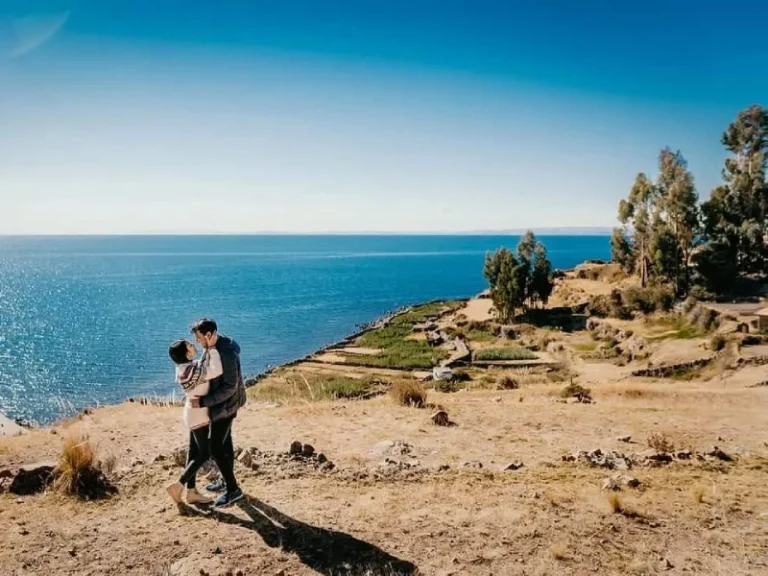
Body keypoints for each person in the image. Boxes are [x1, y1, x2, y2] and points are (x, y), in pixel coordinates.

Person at [189, 318, 247, 508]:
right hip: (221, 405)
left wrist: (203, 401)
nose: (197, 341)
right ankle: (226, 481)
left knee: (215, 448)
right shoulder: (213, 346)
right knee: (225, 442)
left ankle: (233, 490)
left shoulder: (225, 351)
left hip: (226, 406)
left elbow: (230, 387)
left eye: (199, 337)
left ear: (209, 334)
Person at [165, 339, 222, 505]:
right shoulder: (191, 371)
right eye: (189, 345)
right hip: (198, 415)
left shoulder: (185, 368)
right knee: (204, 453)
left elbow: (201, 364)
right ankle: (179, 485)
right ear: (186, 353)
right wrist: (212, 348)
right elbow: (216, 370)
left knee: (193, 452)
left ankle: (191, 492)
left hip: (192, 413)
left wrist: (206, 349)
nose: (193, 345)